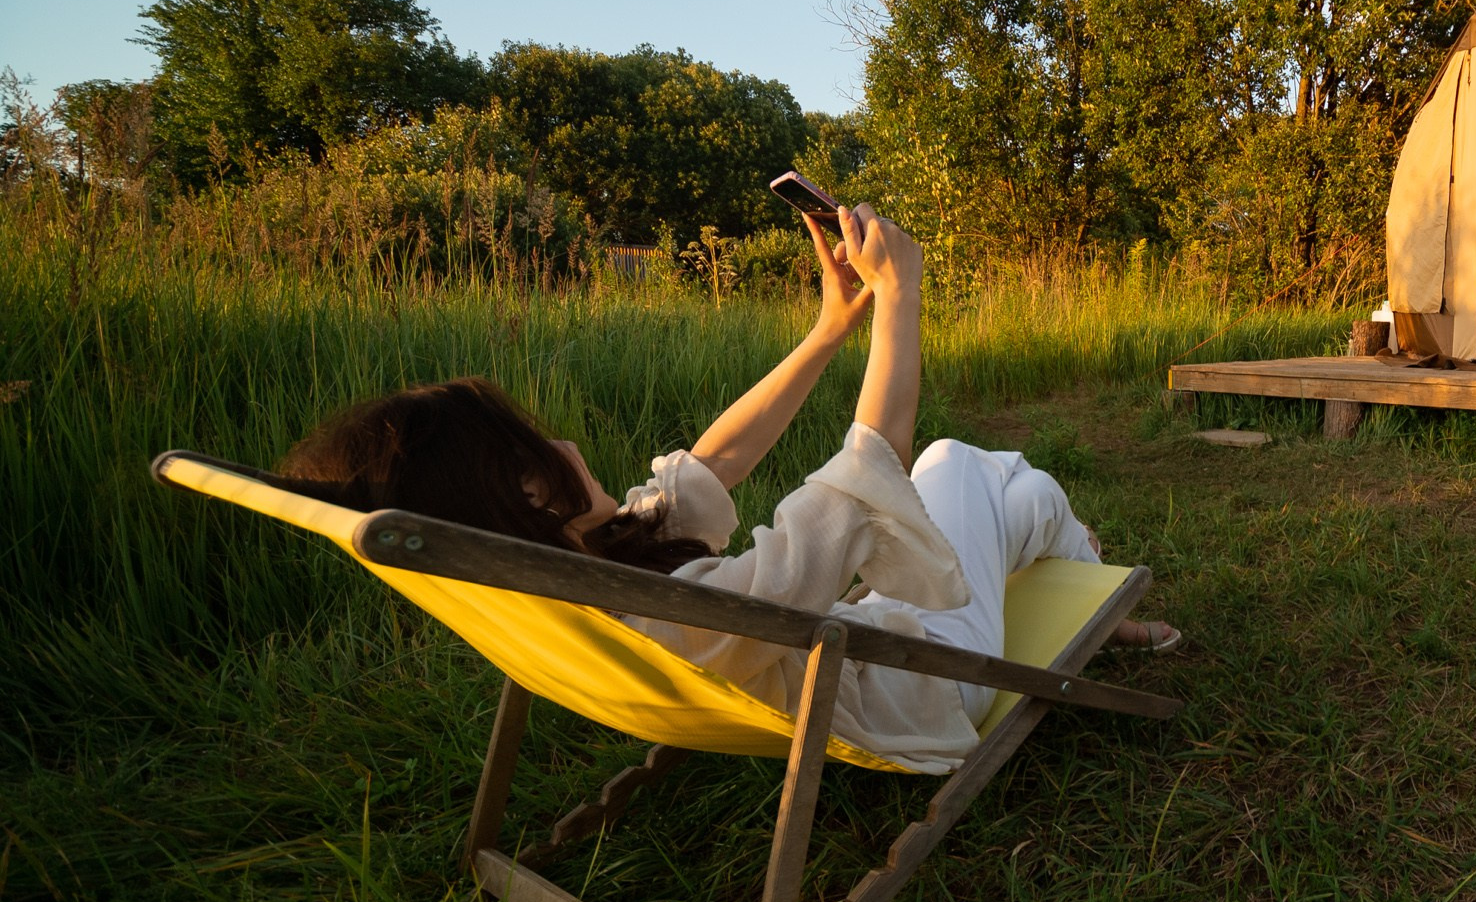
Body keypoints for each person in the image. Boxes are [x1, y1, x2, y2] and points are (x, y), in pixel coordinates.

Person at [278, 203, 1177, 773]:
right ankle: (1094, 575)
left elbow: (714, 465)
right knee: (949, 459)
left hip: (875, 651)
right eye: (536, 442)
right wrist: (900, 298)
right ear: (529, 491)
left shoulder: (584, 582)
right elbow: (868, 474)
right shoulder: (680, 612)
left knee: (1015, 497)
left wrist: (829, 330)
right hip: (921, 690)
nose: (564, 439)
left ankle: (1100, 596)